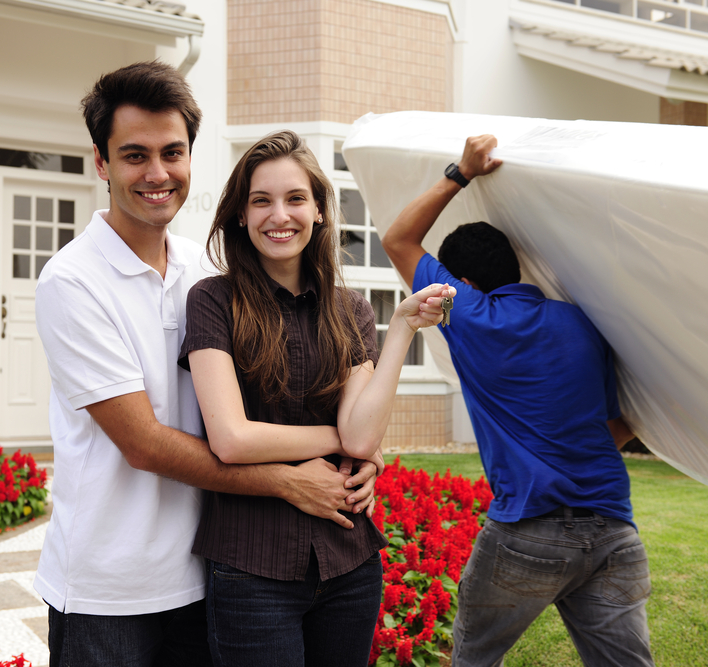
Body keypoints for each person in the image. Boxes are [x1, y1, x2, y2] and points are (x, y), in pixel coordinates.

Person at [33, 62, 381, 667]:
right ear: (101, 162)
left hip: (205, 571)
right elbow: (142, 444)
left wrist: (361, 456)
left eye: (173, 152)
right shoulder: (72, 281)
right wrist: (289, 479)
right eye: (135, 155)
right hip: (110, 589)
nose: (158, 173)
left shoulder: (204, 273)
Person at [179, 130, 454, 667]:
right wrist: (346, 441)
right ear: (240, 214)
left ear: (321, 211)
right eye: (261, 200)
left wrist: (399, 328)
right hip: (251, 566)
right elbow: (231, 439)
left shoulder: (350, 310)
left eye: (295, 198)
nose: (279, 215)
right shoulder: (212, 300)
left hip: (350, 561)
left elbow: (365, 430)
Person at [381, 135, 655, 667]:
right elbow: (614, 427)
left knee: (473, 659)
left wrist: (463, 172)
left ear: (459, 284)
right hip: (615, 532)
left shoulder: (472, 316)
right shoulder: (582, 323)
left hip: (528, 532)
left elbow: (397, 239)